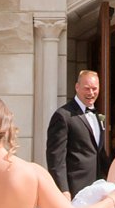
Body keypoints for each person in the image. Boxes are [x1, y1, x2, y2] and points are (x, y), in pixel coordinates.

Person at [46, 67, 110, 195]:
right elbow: (55, 158)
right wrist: (63, 189)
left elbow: (99, 152)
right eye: (87, 88)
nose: (91, 93)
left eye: (94, 88)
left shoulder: (98, 115)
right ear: (77, 87)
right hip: (75, 188)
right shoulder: (63, 116)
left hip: (98, 185)